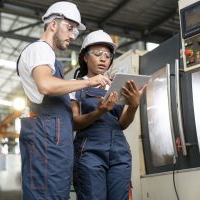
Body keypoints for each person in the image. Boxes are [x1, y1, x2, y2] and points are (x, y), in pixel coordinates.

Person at [17, 2, 111, 200]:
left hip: (54, 142)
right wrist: (87, 82)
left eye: (75, 32)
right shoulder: (40, 49)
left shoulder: (50, 59)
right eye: (69, 28)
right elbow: (45, 85)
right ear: (53, 25)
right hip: (45, 138)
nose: (71, 36)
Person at [71, 30, 147, 200]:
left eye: (107, 55)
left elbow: (122, 124)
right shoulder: (74, 85)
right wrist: (100, 111)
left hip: (119, 151)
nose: (103, 58)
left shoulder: (117, 85)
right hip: (89, 150)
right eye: (97, 54)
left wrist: (134, 105)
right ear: (85, 57)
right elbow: (74, 123)